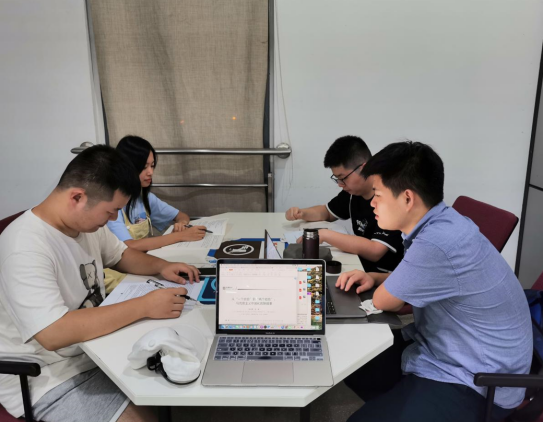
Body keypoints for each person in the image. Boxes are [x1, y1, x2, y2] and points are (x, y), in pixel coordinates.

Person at [0, 145, 201, 422]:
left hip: (93, 348)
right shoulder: (24, 247)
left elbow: (122, 255)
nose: (114, 218)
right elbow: (53, 333)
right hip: (48, 374)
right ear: (77, 197)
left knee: (188, 365)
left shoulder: (85, 225)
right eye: (111, 211)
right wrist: (144, 306)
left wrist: (161, 267)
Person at [335, 141, 532, 422]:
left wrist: (380, 284)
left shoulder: (437, 242)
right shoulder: (443, 221)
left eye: (377, 194)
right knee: (356, 365)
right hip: (451, 347)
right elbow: (420, 278)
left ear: (407, 198)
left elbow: (384, 301)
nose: (372, 203)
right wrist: (375, 276)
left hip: (479, 379)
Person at [285, 135, 403, 273]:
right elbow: (327, 212)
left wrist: (326, 235)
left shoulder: (390, 197)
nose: (340, 185)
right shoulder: (353, 193)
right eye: (337, 179)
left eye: (343, 178)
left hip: (384, 275)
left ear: (363, 168)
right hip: (359, 264)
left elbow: (375, 251)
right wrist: (302, 213)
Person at [105, 135, 206, 291]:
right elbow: (128, 247)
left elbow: (181, 216)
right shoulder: (112, 204)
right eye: (144, 167)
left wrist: (182, 224)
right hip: (120, 278)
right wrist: (179, 236)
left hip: (143, 266)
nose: (150, 172)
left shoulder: (144, 197)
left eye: (152, 166)